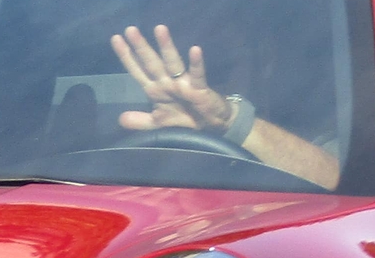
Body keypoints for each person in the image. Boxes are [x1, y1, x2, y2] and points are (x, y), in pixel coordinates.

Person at [109, 22, 342, 189]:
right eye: (173, 71)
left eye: (217, 61)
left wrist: (232, 121)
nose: (189, 82)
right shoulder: (127, 156)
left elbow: (342, 186)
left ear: (264, 62)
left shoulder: (318, 142)